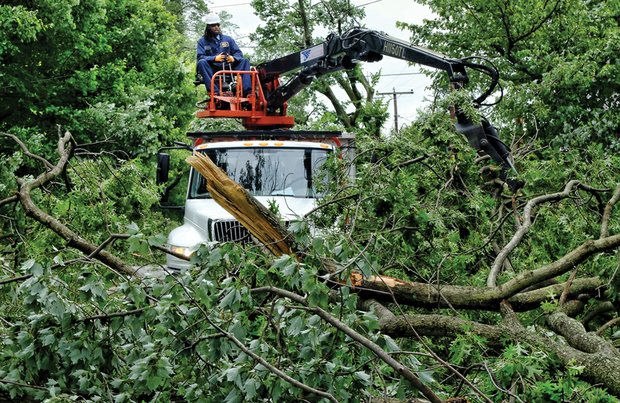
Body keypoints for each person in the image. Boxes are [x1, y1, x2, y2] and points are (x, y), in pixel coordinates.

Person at [196, 14, 252, 96]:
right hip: (212, 68)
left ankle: (247, 92)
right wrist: (214, 58)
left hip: (229, 67)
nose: (216, 27)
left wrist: (233, 58)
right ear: (208, 27)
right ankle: (215, 92)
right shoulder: (202, 41)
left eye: (218, 25)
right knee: (201, 62)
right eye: (213, 25)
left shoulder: (228, 39)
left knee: (245, 61)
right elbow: (200, 56)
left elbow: (238, 53)